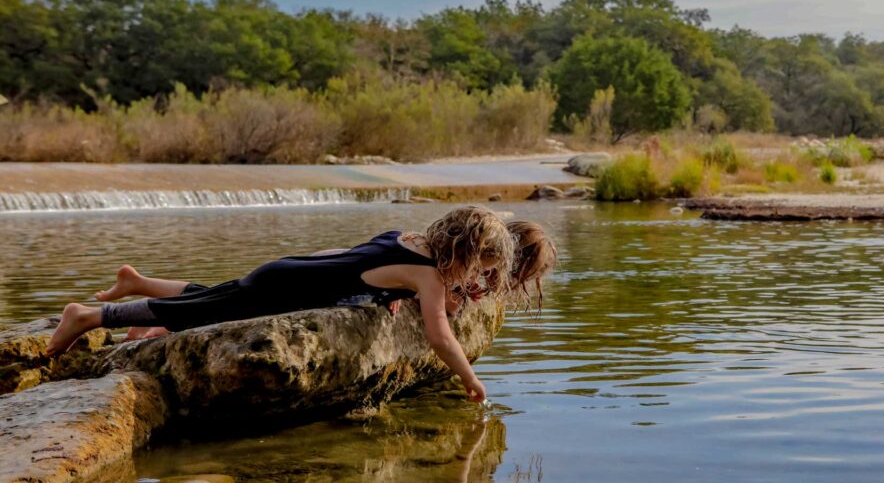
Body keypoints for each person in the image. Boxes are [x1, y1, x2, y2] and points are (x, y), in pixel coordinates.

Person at [45, 206, 517, 403]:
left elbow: (353, 260)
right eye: (478, 265)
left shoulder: (408, 240)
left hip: (289, 270)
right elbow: (439, 333)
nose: (475, 276)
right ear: (462, 254)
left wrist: (385, 293)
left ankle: (135, 282)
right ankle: (88, 317)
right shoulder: (430, 276)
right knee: (202, 312)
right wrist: (470, 379)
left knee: (212, 299)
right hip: (287, 288)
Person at [95, 221, 558, 341]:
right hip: (325, 280)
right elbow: (443, 310)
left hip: (326, 269)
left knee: (226, 295)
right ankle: (139, 315)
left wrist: (391, 290)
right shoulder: (459, 261)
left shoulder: (452, 240)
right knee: (224, 304)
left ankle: (139, 281)